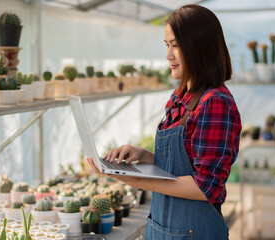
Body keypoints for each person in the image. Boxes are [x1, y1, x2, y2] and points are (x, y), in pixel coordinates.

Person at [87, 4, 241, 240]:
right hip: (161, 228)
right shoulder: (180, 97)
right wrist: (143, 155)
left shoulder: (215, 103)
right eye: (167, 45)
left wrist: (136, 179)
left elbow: (205, 186)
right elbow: (181, 164)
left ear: (198, 46)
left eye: (176, 45)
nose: (168, 55)